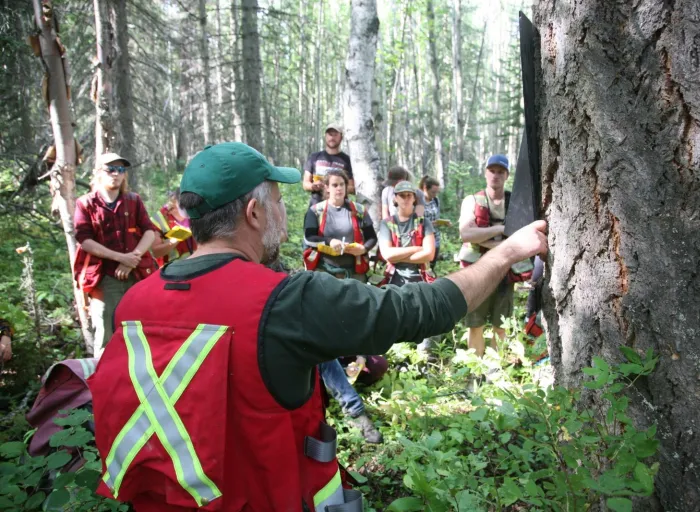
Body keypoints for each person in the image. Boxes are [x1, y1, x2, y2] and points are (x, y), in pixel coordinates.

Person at [88, 141, 547, 511]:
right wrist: (506, 253)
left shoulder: (134, 303)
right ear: (253, 213)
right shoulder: (286, 300)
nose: (286, 212)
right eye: (276, 200)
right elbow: (418, 310)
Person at [303, 169, 384, 443]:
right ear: (326, 188)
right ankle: (341, 378)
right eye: (333, 185)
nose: (338, 189)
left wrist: (363, 249)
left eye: (342, 185)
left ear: (347, 187)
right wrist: (329, 242)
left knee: (356, 321)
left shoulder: (359, 211)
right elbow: (308, 238)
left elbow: (372, 238)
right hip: (326, 273)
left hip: (355, 274)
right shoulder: (316, 211)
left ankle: (358, 366)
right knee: (328, 325)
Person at [73, 152, 157, 358]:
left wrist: (133, 258)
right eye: (110, 169)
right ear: (98, 172)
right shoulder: (85, 203)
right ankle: (103, 380)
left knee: (142, 327)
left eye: (121, 170)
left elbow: (149, 231)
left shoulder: (133, 200)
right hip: (104, 278)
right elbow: (84, 240)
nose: (116, 174)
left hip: (137, 275)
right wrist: (120, 258)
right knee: (105, 329)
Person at [458, 154, 518, 358]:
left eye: (501, 171)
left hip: (505, 269)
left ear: (507, 175)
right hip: (477, 271)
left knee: (501, 325)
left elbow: (519, 233)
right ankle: (476, 372)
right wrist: (501, 229)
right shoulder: (472, 200)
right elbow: (466, 233)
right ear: (485, 173)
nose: (496, 175)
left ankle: (495, 371)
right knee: (475, 324)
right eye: (492, 171)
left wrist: (482, 238)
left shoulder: (514, 201)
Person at [378, 181, 435, 287]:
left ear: (414, 198)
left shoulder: (424, 222)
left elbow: (429, 255)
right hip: (392, 279)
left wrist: (396, 257)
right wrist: (417, 249)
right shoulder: (386, 224)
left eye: (409, 195)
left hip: (420, 278)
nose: (406, 198)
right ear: (395, 198)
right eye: (402, 195)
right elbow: (387, 254)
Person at [302, 123, 354, 206]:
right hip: (316, 205)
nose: (332, 138)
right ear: (325, 136)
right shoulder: (314, 157)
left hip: (339, 207)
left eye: (335, 135)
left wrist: (335, 188)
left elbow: (352, 188)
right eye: (330, 134)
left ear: (341, 137)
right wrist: (313, 186)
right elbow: (305, 184)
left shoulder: (347, 160)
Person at [150, 189, 197, 267]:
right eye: (184, 207)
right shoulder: (159, 219)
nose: (187, 211)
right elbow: (156, 252)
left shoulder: (194, 211)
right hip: (173, 269)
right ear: (175, 203)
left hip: (196, 263)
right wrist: (176, 239)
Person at [419, 176, 449, 270]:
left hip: (436, 237)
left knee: (432, 265)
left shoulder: (435, 200)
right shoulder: (419, 202)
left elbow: (437, 217)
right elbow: (417, 221)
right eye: (433, 192)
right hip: (423, 239)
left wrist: (442, 223)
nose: (435, 194)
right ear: (425, 188)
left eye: (436, 192)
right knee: (423, 266)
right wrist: (430, 224)